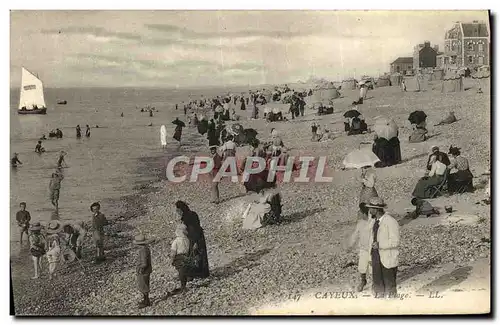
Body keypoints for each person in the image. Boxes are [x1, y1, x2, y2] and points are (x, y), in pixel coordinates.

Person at [366, 197, 399, 298]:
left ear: (376, 209)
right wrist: (370, 257)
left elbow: (396, 242)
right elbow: (371, 240)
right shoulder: (373, 222)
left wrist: (380, 245)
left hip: (387, 256)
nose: (369, 210)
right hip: (376, 255)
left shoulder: (391, 221)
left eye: (370, 208)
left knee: (389, 284)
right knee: (377, 282)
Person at [175, 201, 209, 278]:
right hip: (196, 237)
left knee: (194, 255)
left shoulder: (187, 217)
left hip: (194, 238)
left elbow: (194, 230)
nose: (177, 212)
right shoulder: (192, 214)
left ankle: (194, 274)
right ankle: (200, 273)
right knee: (197, 255)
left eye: (178, 210)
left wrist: (195, 242)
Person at [347, 203, 371, 292]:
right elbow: (355, 235)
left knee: (373, 266)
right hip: (363, 249)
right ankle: (363, 280)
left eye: (360, 212)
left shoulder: (373, 222)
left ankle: (375, 282)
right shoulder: (360, 223)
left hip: (373, 248)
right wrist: (350, 245)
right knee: (362, 266)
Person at [171, 224, 191, 292]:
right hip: (186, 256)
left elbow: (173, 252)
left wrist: (172, 260)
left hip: (179, 257)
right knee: (184, 271)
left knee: (181, 272)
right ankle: (184, 285)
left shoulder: (176, 241)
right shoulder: (187, 240)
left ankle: (182, 287)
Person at [134, 234, 152, 308]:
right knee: (145, 285)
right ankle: (146, 300)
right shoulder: (146, 248)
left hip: (144, 271)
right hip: (147, 270)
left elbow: (144, 263)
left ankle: (146, 301)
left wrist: (141, 269)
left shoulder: (142, 250)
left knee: (143, 286)